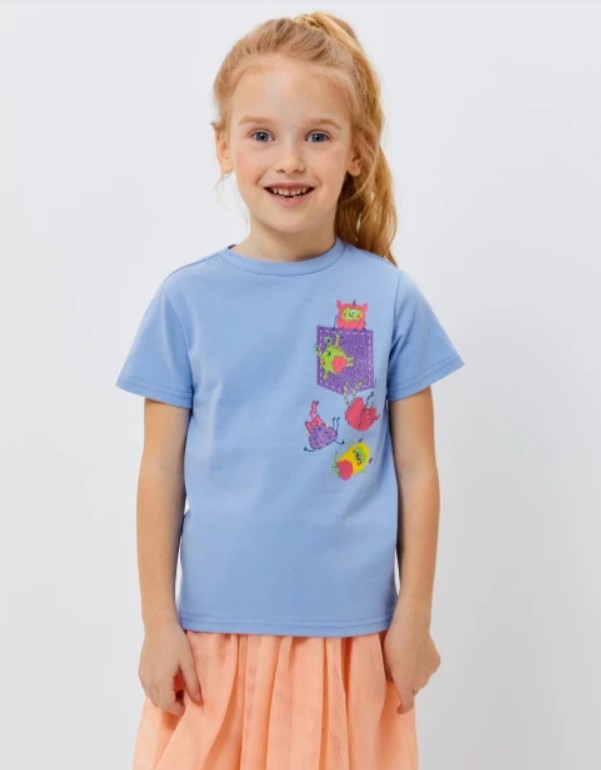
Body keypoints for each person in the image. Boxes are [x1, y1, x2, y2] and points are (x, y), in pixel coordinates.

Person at [115, 11, 465, 770]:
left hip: (352, 641)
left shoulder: (386, 300)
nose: (290, 160)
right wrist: (157, 622)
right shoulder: (186, 302)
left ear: (357, 152)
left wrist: (414, 613)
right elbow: (159, 471)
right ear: (223, 146)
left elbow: (417, 471)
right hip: (214, 639)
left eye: (317, 135)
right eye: (262, 134)